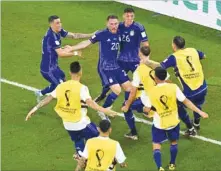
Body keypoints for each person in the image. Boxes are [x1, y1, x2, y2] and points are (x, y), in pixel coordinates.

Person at [26, 61, 117, 155]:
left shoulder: (61, 86)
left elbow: (48, 99)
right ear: (80, 72)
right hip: (81, 123)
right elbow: (90, 103)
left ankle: (80, 154)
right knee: (100, 138)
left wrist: (35, 108)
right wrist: (105, 110)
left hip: (68, 125)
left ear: (70, 72)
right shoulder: (82, 88)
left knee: (78, 141)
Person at [67, 15, 132, 121]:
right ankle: (103, 110)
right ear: (107, 24)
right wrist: (72, 48)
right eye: (111, 24)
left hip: (116, 66)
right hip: (105, 67)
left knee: (129, 87)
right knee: (117, 90)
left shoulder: (120, 31)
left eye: (116, 23)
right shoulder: (102, 34)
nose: (114, 26)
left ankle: (106, 97)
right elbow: (86, 43)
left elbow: (128, 24)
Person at [142, 67, 208, 171]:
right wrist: (200, 112)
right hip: (173, 122)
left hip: (159, 124)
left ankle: (159, 167)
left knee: (156, 144)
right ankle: (172, 164)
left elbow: (146, 109)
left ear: (155, 78)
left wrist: (146, 111)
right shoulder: (173, 87)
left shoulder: (151, 91)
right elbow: (186, 101)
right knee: (173, 142)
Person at [145, 36, 207, 136]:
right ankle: (196, 123)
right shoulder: (193, 50)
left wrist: (147, 62)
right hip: (203, 87)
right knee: (198, 104)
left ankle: (190, 128)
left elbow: (160, 67)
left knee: (178, 105)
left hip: (190, 91)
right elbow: (204, 56)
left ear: (174, 45)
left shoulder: (174, 57)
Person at [95, 7, 149, 103]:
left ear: (134, 16)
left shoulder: (139, 27)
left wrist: (146, 57)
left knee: (143, 81)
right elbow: (105, 33)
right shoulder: (118, 26)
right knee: (112, 82)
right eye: (127, 16)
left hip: (135, 60)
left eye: (131, 16)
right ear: (123, 16)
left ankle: (130, 102)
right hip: (121, 60)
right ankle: (102, 95)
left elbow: (145, 43)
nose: (129, 18)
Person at [35, 15, 95, 102]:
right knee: (62, 87)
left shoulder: (58, 31)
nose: (60, 25)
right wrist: (75, 52)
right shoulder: (51, 37)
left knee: (61, 80)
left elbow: (75, 35)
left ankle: (40, 93)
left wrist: (91, 35)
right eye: (57, 23)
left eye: (60, 22)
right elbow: (61, 54)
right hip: (47, 69)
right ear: (51, 24)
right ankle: (67, 107)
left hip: (54, 66)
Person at [122, 46, 169, 140]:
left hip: (149, 100)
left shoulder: (139, 71)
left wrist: (127, 105)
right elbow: (167, 81)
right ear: (149, 54)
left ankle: (133, 133)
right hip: (161, 96)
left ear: (139, 54)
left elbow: (133, 91)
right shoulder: (157, 66)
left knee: (126, 106)